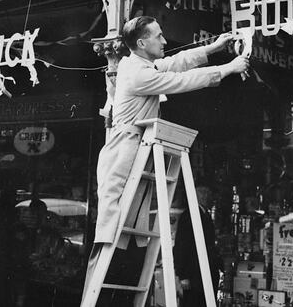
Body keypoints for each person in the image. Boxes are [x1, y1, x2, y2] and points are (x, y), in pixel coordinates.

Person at [84, 16, 249, 304]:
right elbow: (181, 80)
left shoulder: (140, 65)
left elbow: (177, 62)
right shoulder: (137, 73)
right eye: (158, 36)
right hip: (123, 158)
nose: (164, 41)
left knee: (128, 237)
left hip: (136, 155)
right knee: (111, 235)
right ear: (141, 43)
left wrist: (213, 48)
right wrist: (229, 68)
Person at [173, 185, 223, 307]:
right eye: (208, 194)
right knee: (193, 302)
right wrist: (183, 275)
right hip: (193, 273)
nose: (211, 198)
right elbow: (182, 245)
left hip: (204, 272)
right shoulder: (189, 216)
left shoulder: (204, 215)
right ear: (202, 197)